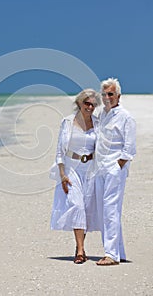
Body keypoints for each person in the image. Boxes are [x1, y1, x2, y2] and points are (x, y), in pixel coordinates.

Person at [50, 89, 101, 264]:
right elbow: (59, 151)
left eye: (93, 104)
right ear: (79, 103)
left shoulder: (97, 123)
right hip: (71, 168)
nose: (90, 106)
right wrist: (62, 174)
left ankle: (81, 247)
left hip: (91, 170)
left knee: (85, 208)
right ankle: (80, 250)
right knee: (77, 205)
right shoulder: (68, 122)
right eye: (86, 103)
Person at [95, 78, 136, 266]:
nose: (107, 97)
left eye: (110, 94)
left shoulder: (126, 116)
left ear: (118, 96)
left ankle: (111, 254)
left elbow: (129, 147)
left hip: (114, 169)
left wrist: (118, 165)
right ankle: (118, 251)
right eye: (104, 94)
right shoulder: (102, 114)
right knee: (104, 210)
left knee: (111, 209)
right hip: (100, 168)